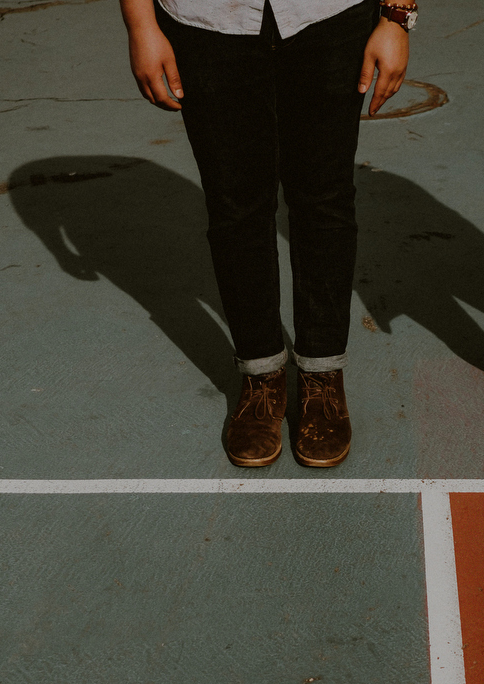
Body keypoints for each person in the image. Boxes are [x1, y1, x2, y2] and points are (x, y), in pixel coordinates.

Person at [120, 0, 418, 468]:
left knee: (324, 198)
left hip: (329, 17)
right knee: (235, 205)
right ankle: (261, 376)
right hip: (207, 22)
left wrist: (395, 17)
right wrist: (141, 25)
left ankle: (322, 377)